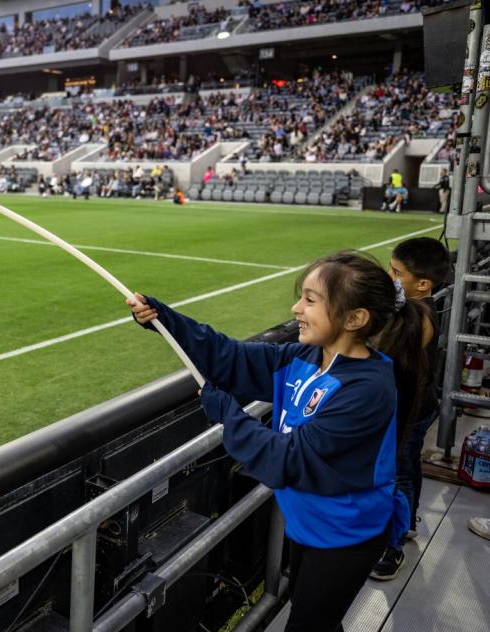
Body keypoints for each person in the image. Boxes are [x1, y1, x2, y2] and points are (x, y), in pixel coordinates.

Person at [128, 251, 424, 632]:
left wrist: (228, 413)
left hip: (345, 536)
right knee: (316, 620)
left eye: (311, 300)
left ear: (355, 319)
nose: (296, 307)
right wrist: (165, 321)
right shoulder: (305, 356)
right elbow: (230, 357)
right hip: (309, 524)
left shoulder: (367, 389)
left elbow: (286, 460)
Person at [370, 237, 452, 580]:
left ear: (423, 284)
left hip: (411, 411)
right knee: (407, 466)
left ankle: (394, 546)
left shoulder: (419, 317)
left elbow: (383, 351)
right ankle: (409, 521)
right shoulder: (414, 308)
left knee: (399, 472)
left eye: (396, 272)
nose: (390, 277)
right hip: (419, 406)